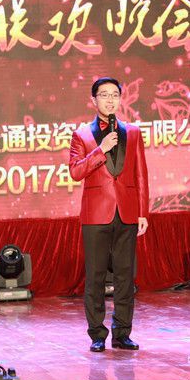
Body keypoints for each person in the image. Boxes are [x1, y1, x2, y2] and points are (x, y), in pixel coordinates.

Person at [69, 77, 149, 353]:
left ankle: (122, 333)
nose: (110, 100)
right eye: (104, 95)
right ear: (94, 100)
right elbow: (76, 171)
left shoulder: (133, 132)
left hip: (127, 212)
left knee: (126, 276)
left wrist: (143, 212)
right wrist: (100, 150)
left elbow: (141, 174)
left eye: (114, 94)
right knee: (96, 276)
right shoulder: (82, 135)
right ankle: (97, 334)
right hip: (95, 215)